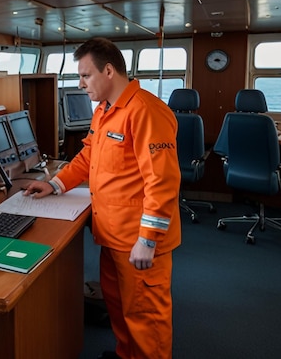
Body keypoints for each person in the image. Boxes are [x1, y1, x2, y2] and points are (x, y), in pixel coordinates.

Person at [24, 38, 181, 359]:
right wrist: (54, 184)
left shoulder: (146, 112)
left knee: (146, 319)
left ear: (108, 71)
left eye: (85, 76)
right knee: (120, 307)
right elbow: (87, 157)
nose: (80, 85)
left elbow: (162, 182)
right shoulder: (105, 111)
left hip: (138, 240)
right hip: (111, 235)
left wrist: (148, 240)